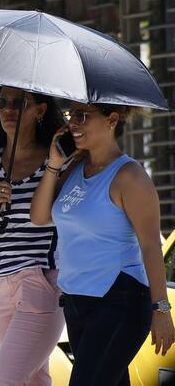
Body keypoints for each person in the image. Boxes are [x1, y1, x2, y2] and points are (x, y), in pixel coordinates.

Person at [30, 101, 175, 385]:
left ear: (111, 120)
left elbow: (150, 247)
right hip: (76, 300)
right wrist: (54, 165)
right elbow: (39, 216)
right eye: (72, 116)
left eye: (83, 116)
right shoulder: (73, 168)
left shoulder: (130, 177)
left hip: (119, 301)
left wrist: (161, 309)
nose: (73, 123)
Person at [0, 87, 66, 386]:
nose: (8, 109)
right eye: (1, 102)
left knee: (4, 379)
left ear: (40, 110)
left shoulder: (57, 160)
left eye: (19, 103)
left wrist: (53, 165)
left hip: (39, 281)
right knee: (33, 381)